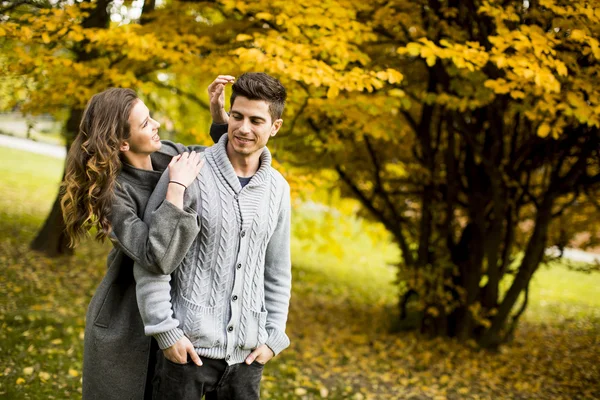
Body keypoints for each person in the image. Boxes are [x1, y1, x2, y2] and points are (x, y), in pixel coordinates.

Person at [61, 86, 226, 399]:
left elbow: (219, 160)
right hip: (125, 321)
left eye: (151, 117)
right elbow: (155, 256)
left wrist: (220, 120)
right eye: (146, 123)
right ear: (123, 143)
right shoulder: (112, 196)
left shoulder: (167, 154)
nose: (156, 125)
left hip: (181, 310)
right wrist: (175, 190)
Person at [134, 72, 292, 399]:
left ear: (274, 126)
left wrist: (274, 337)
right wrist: (166, 332)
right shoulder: (189, 171)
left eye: (256, 120)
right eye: (237, 116)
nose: (243, 128)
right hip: (187, 354)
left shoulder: (278, 189)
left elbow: (277, 271)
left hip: (247, 358)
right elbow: (154, 259)